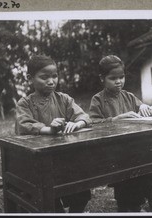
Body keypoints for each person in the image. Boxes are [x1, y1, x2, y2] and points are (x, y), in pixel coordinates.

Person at [15, 55, 91, 213]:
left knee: (81, 193)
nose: (51, 81)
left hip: (64, 159)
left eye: (54, 76)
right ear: (30, 78)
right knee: (50, 200)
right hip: (38, 163)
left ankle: (76, 211)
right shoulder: (25, 103)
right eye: (44, 77)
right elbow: (24, 125)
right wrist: (49, 129)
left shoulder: (64, 99)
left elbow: (83, 116)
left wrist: (77, 123)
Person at [89, 55, 152, 212]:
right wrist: (115, 119)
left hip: (133, 146)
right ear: (102, 78)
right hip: (112, 150)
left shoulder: (129, 96)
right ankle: (128, 205)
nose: (119, 81)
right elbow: (92, 123)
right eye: (113, 78)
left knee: (147, 165)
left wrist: (142, 106)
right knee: (126, 173)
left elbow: (141, 106)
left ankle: (144, 197)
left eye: (121, 77)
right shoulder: (98, 100)